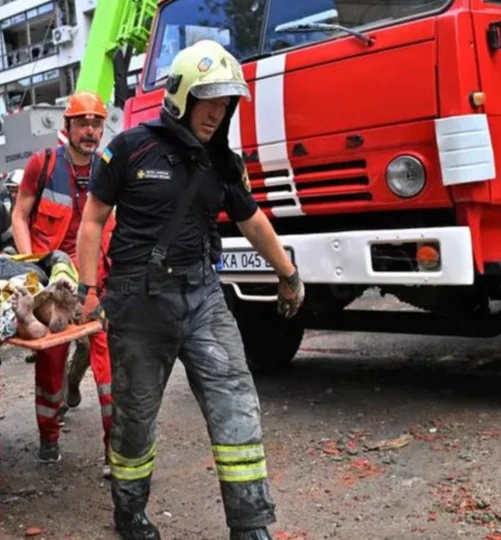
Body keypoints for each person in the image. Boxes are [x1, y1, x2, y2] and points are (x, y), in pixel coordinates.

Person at [76, 40, 305, 540]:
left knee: (237, 404)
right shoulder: (128, 148)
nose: (219, 113)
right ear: (181, 96)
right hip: (138, 305)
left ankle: (250, 524)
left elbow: (253, 221)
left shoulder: (222, 161)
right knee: (135, 418)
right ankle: (130, 512)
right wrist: (89, 291)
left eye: (227, 104)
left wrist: (287, 274)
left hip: (204, 298)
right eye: (211, 101)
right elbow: (93, 221)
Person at [10, 91, 115, 470]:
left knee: (110, 369)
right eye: (82, 122)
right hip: (53, 285)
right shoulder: (44, 163)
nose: (90, 130)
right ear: (66, 126)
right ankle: (49, 436)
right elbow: (19, 215)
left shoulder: (110, 166)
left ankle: (113, 450)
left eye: (96, 123)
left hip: (97, 283)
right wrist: (29, 268)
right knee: (50, 362)